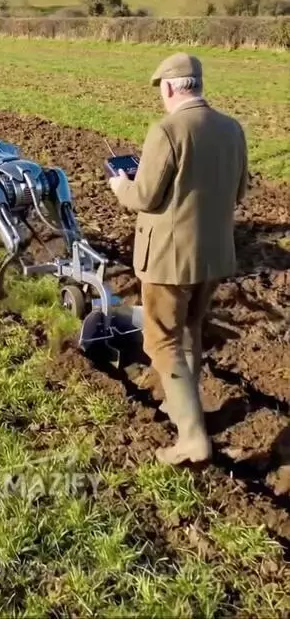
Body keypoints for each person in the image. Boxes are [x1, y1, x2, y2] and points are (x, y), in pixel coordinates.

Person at [109, 52, 248, 465]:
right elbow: (239, 191)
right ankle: (178, 402)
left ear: (169, 88)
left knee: (161, 340)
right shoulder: (232, 129)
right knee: (190, 330)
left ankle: (191, 438)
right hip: (215, 255)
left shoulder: (167, 131)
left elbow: (145, 197)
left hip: (168, 260)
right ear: (198, 85)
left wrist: (121, 185)